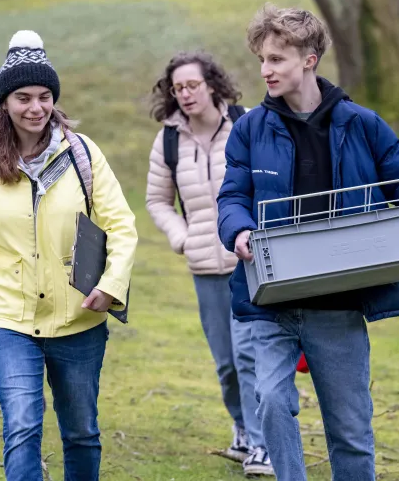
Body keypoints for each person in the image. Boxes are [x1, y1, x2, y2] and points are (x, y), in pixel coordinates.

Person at [217, 3, 399, 481]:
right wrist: (240, 230)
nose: (265, 70)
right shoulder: (248, 129)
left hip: (340, 305)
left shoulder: (362, 124)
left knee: (350, 432)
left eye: (276, 59)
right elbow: (233, 195)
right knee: (269, 403)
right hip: (272, 299)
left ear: (309, 59)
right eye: (262, 60)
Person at [0, 30, 138, 481]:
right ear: (5, 102)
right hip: (9, 318)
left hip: (79, 319)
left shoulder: (84, 155)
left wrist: (111, 285)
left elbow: (122, 226)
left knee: (82, 432)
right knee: (23, 426)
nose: (35, 107)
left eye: (44, 96)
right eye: (23, 97)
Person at [145, 51, 273, 477]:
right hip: (204, 266)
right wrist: (182, 237)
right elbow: (157, 201)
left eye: (192, 85)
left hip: (250, 261)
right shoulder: (168, 141)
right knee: (225, 363)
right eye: (178, 88)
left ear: (213, 85)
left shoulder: (248, 123)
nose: (185, 94)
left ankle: (262, 445)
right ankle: (241, 428)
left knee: (250, 353)